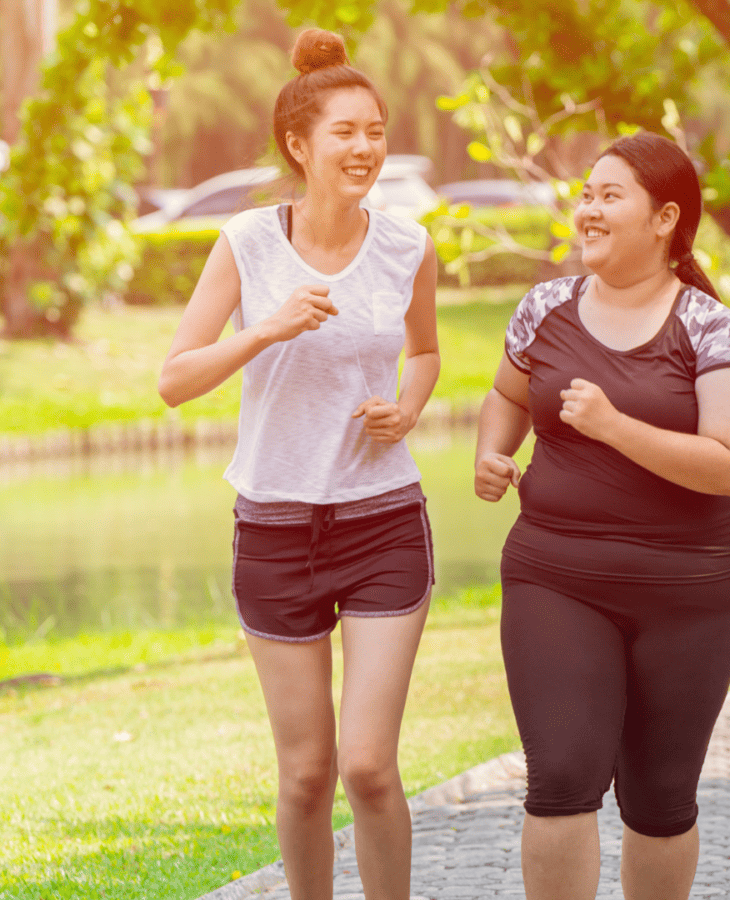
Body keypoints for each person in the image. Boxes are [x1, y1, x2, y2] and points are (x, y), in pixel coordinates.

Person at [158, 28, 439, 900]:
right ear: (299, 144)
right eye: (345, 132)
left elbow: (425, 354)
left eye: (376, 131)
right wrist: (268, 326)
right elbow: (174, 380)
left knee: (368, 767)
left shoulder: (407, 245)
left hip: (383, 521)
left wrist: (409, 406)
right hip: (275, 527)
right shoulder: (247, 242)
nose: (364, 149)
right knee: (307, 774)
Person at [474, 131, 730, 900]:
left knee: (660, 800)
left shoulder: (712, 328)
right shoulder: (545, 307)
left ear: (664, 218)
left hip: (689, 589)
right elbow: (507, 394)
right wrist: (492, 453)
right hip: (555, 574)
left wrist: (614, 427)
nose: (589, 210)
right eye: (586, 195)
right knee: (562, 774)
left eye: (610, 196)